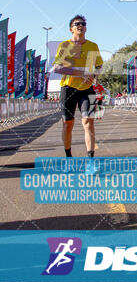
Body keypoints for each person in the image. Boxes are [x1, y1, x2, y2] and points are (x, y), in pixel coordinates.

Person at [52, 15, 103, 168]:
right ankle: (68, 157)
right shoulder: (64, 46)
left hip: (88, 89)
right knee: (68, 123)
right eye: (77, 24)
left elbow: (99, 66)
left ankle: (91, 161)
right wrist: (81, 73)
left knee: (88, 122)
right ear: (71, 29)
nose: (81, 25)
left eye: (83, 23)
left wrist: (93, 75)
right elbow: (58, 68)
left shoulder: (93, 46)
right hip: (68, 88)